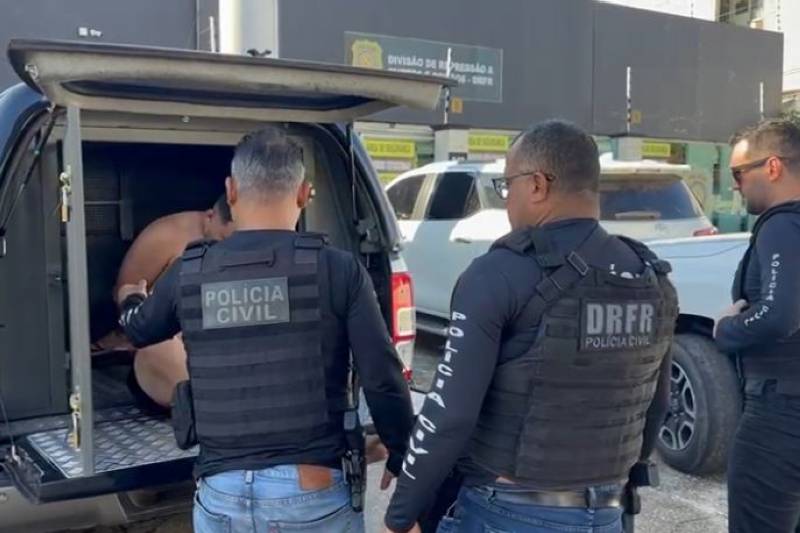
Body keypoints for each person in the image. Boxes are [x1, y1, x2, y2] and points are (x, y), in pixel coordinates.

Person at [384, 120, 678, 533]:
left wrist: (400, 516)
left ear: (537, 185)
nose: (507, 200)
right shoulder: (651, 279)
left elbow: (450, 415)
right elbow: (657, 405)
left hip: (507, 512)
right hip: (607, 511)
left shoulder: (498, 274)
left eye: (508, 186)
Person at [118, 128, 414, 532]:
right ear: (304, 194)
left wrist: (131, 299)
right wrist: (401, 450)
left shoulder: (190, 269)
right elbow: (381, 375)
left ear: (231, 191)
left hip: (221, 494)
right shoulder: (337, 269)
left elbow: (138, 331)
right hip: (312, 493)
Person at [714, 119, 800, 533]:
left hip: (780, 412)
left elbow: (779, 314)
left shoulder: (782, 224)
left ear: (772, 167)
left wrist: (727, 329)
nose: (735, 186)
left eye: (738, 173)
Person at [99, 196, 234, 409]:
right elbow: (126, 291)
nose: (224, 251)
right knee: (157, 346)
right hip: (171, 347)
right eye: (222, 240)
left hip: (230, 352)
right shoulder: (168, 235)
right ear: (210, 217)